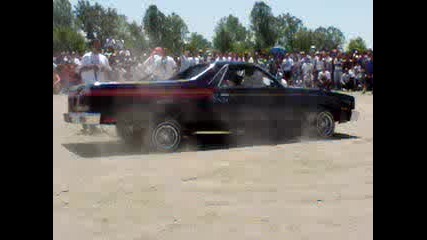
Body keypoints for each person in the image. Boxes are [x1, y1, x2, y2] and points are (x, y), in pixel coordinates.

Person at [76, 39, 111, 134]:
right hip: (88, 84)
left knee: (97, 106)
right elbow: (80, 69)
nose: (97, 46)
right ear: (92, 46)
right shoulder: (86, 57)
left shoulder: (103, 58)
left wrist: (105, 68)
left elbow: (109, 70)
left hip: (100, 85)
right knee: (87, 106)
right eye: (95, 44)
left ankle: (94, 127)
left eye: (99, 45)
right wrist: (91, 67)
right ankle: (87, 127)